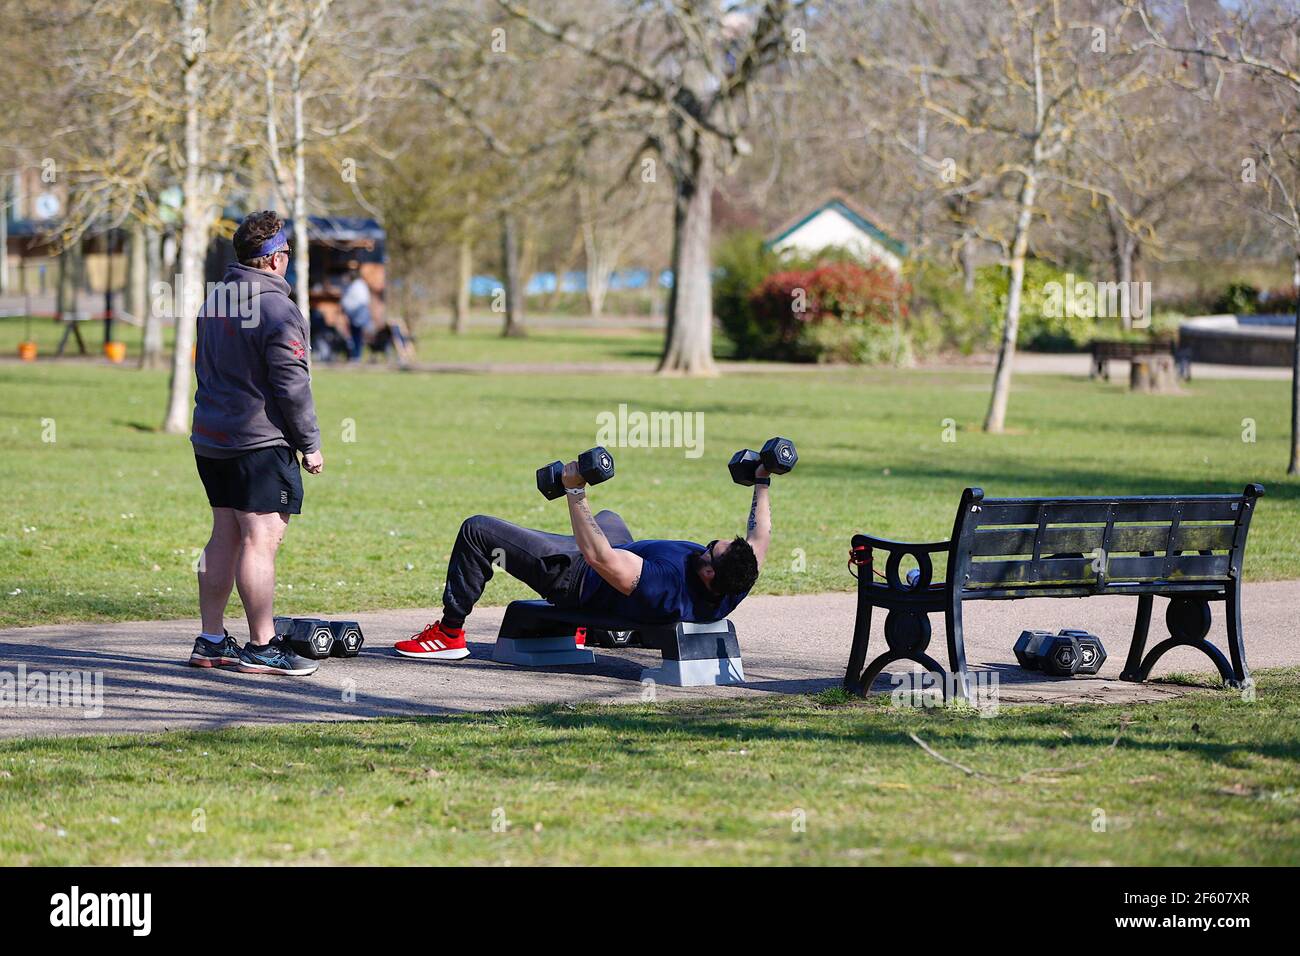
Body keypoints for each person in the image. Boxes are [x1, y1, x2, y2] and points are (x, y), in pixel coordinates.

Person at [393, 459, 772, 661]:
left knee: (478, 530)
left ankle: (449, 633)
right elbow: (759, 536)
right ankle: (583, 621)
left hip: (575, 577)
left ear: (708, 572)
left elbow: (597, 556)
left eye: (708, 549)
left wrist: (575, 491)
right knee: (611, 519)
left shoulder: (664, 585)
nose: (704, 546)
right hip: (623, 562)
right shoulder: (735, 579)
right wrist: (762, 480)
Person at [189, 210, 325, 676]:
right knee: (260, 538)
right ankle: (262, 645)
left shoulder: (215, 300)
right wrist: (310, 443)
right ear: (271, 259)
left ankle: (211, 640)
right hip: (257, 441)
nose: (288, 261)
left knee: (224, 532)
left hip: (211, 439)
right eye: (286, 253)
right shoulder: (277, 308)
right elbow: (292, 383)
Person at [339, 267, 372, 362]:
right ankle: (355, 355)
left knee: (357, 336)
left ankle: (357, 356)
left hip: (358, 315)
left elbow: (359, 301)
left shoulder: (358, 285)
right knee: (354, 336)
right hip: (353, 315)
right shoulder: (353, 285)